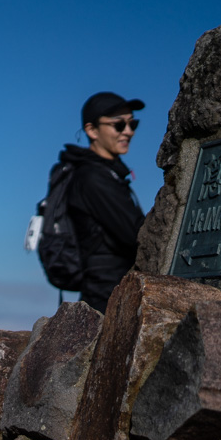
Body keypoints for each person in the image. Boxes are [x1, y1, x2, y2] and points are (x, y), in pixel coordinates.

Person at [58, 91, 146, 314]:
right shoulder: (93, 178)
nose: (128, 131)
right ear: (91, 130)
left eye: (132, 123)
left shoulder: (107, 173)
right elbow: (135, 234)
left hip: (108, 291)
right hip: (106, 297)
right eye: (119, 125)